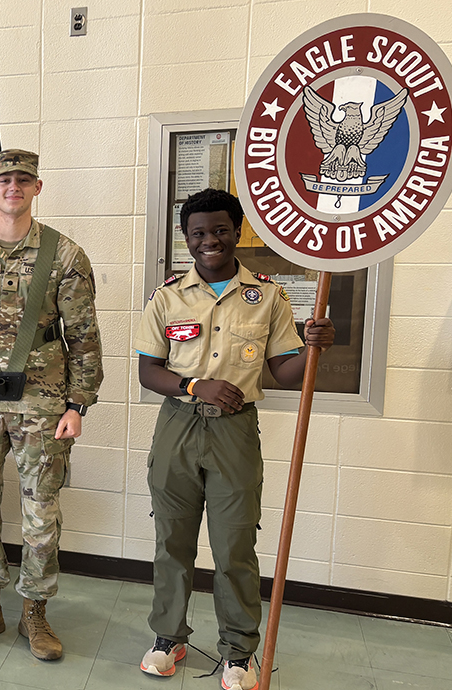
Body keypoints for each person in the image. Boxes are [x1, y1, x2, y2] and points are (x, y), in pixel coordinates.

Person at [133, 188, 334, 690]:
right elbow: (148, 371)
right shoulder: (167, 297)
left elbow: (285, 372)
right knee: (172, 541)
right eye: (198, 233)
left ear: (238, 231)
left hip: (235, 431)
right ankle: (168, 638)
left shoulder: (267, 296)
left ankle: (239, 652)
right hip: (178, 426)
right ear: (185, 237)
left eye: (220, 229)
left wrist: (314, 350)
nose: (210, 240)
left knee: (235, 546)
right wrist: (194, 385)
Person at [0, 149, 104, 660]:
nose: (13, 187)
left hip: (42, 405)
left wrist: (78, 404)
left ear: (37, 187)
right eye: (4, 179)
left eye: (23, 180)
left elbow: (85, 336)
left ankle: (35, 612)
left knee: (40, 516)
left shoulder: (66, 256)